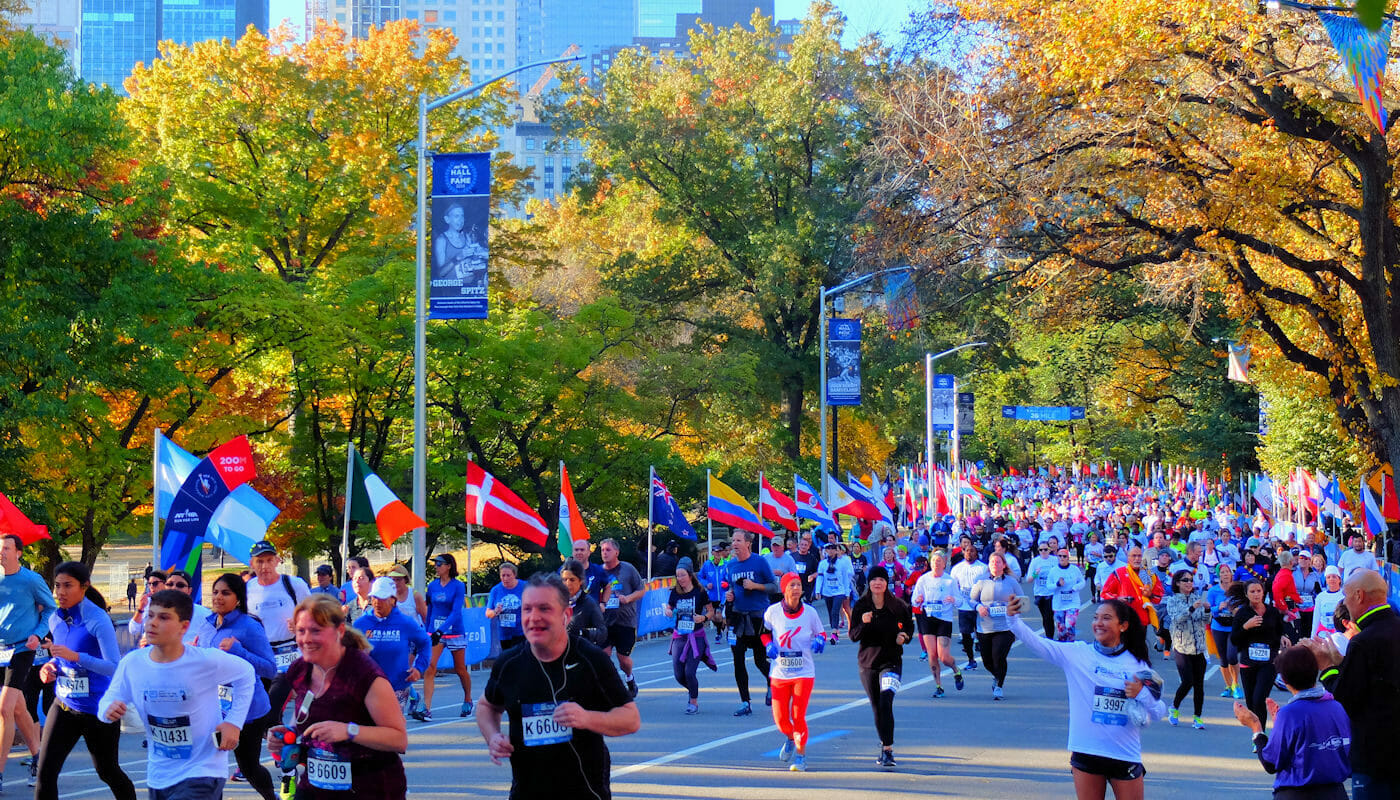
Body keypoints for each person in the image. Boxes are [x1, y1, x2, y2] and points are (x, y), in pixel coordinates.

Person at [477, 573, 640, 799]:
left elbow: (630, 718)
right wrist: (493, 736)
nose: (534, 617)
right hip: (526, 790)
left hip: (584, 790)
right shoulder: (509, 663)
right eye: (527, 609)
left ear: (566, 615)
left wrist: (587, 719)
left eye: (544, 609)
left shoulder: (591, 659)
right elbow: (487, 706)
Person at [100, 589, 255, 800]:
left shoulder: (205, 661)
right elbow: (109, 699)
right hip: (160, 774)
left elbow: (246, 674)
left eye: (164, 617)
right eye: (151, 615)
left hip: (203, 769)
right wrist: (107, 710)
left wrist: (234, 722)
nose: (152, 623)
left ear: (184, 627)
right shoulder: (133, 663)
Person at [1008, 596, 1166, 800]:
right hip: (1087, 750)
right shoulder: (1077, 654)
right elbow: (1039, 644)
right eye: (1095, 617)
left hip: (1124, 754)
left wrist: (1141, 694)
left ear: (1123, 626)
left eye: (1107, 618)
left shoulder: (1137, 665)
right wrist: (1013, 621)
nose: (1098, 623)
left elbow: (1159, 711)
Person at [269, 595, 409, 798]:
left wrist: (348, 731)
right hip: (315, 787)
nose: (306, 639)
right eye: (301, 631)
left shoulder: (364, 674)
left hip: (370, 787)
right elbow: (303, 718)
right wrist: (288, 735)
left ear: (339, 631)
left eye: (316, 631)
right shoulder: (300, 669)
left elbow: (399, 739)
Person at [33, 561, 135, 800]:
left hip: (98, 710)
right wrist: (50, 667)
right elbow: (61, 659)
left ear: (84, 586)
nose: (61, 592)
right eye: (57, 586)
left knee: (108, 772)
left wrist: (77, 657)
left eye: (68, 586)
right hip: (65, 705)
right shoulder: (56, 619)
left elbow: (113, 666)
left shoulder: (98, 620)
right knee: (45, 774)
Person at [1308, 568, 1400, 800]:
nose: (1345, 604)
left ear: (1359, 595)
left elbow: (1345, 698)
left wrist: (1327, 667)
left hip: (1376, 756)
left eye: (1346, 597)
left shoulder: (1364, 641)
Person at [186, 571, 278, 799]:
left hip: (247, 711)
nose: (218, 597)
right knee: (209, 766)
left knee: (249, 767)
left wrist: (240, 651)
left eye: (225, 593)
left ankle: (271, 797)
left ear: (238, 598)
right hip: (212, 709)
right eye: (215, 592)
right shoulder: (207, 625)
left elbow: (270, 668)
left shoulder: (249, 626)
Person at [1233, 645, 1350, 800]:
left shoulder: (1290, 714)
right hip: (1336, 793)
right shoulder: (1337, 707)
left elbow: (1271, 763)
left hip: (1297, 793)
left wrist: (1256, 726)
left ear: (1285, 679)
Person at [0, 533, 55, 788]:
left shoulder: (31, 580)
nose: (1, 552)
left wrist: (38, 633)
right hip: (0, 650)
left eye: (6, 548)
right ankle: (38, 757)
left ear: (18, 552)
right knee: (19, 708)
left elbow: (51, 608)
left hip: (22, 649)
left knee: (4, 709)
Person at [849, 565, 914, 768]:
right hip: (868, 664)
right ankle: (884, 745)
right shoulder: (861, 606)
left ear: (887, 583)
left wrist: (905, 636)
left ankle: (888, 750)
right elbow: (853, 636)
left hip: (891, 662)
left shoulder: (899, 606)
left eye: (882, 580)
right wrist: (864, 623)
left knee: (886, 701)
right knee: (877, 707)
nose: (878, 583)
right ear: (869, 583)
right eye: (874, 580)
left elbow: (909, 628)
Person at [762, 572, 826, 772]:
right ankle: (790, 737)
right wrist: (768, 645)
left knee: (798, 716)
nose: (796, 588)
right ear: (784, 589)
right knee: (781, 720)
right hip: (780, 673)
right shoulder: (772, 612)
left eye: (798, 584)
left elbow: (821, 632)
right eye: (792, 585)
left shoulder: (810, 612)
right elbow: (764, 634)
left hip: (803, 673)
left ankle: (800, 756)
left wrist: (820, 640)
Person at [355, 577, 431, 724]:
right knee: (370, 727)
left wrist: (418, 668)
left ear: (393, 600)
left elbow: (425, 642)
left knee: (390, 725)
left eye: (382, 598)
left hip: (397, 686)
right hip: (368, 686)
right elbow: (347, 651)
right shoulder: (361, 623)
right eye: (374, 597)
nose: (377, 602)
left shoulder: (405, 622)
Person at [724, 531, 778, 717]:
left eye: (738, 540)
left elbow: (774, 586)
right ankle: (745, 702)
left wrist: (756, 586)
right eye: (733, 541)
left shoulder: (759, 561)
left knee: (759, 660)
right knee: (737, 659)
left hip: (758, 618)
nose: (734, 544)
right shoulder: (730, 565)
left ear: (748, 543)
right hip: (739, 618)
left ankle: (773, 682)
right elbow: (731, 588)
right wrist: (729, 595)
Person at [245, 539, 312, 676]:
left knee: (295, 695)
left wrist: (300, 625)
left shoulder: (294, 584)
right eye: (260, 561)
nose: (265, 566)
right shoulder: (246, 590)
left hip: (293, 650)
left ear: (277, 561)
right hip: (263, 653)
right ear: (251, 563)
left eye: (269, 560)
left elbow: (314, 614)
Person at [1232, 579, 1288, 735]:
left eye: (1259, 591)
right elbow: (1234, 639)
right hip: (1248, 664)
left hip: (1268, 663)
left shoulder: (1272, 612)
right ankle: (1256, 733)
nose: (1256, 594)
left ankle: (1260, 735)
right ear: (1246, 594)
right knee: (1251, 702)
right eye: (1252, 592)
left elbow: (1279, 632)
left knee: (1259, 699)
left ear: (1263, 592)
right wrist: (1246, 626)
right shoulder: (1243, 613)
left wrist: (1283, 638)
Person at [422, 554, 472, 720]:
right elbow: (430, 609)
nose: (436, 566)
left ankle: (468, 699)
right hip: (436, 632)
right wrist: (429, 630)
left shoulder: (458, 586)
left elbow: (456, 612)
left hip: (454, 631)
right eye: (435, 564)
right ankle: (426, 708)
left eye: (439, 564)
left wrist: (441, 630)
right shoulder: (432, 586)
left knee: (460, 669)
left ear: (449, 566)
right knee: (430, 667)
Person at [910, 549, 965, 696]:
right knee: (932, 655)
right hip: (927, 618)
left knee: (944, 657)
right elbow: (914, 598)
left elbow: (959, 601)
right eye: (933, 561)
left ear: (944, 563)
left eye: (939, 561)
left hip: (944, 620)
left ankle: (956, 670)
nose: (936, 564)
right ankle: (939, 686)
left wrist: (954, 600)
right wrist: (918, 600)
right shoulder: (923, 579)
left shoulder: (949, 581)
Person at [969, 552, 1023, 700]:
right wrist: (979, 607)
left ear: (1004, 565)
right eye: (992, 562)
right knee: (987, 660)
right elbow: (971, 600)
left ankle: (999, 685)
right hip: (984, 627)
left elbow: (1022, 600)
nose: (994, 564)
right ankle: (997, 675)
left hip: (1006, 627)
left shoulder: (1011, 582)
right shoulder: (981, 581)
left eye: (998, 562)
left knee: (998, 655)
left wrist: (1012, 610)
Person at [1161, 570, 1209, 730]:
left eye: (1191, 580)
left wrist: (1208, 610)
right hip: (1182, 646)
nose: (1189, 583)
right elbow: (1177, 618)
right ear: (1177, 583)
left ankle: (1197, 717)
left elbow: (1205, 620)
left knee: (1199, 685)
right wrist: (1191, 608)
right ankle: (1174, 707)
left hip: (1199, 647)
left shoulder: (1197, 598)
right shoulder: (1172, 600)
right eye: (1185, 580)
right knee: (1188, 681)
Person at [599, 540, 646, 699]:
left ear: (616, 552)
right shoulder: (599, 572)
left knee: (623, 659)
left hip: (625, 621)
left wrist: (628, 598)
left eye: (608, 550)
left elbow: (641, 590)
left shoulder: (627, 569)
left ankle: (630, 678)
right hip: (605, 622)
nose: (605, 553)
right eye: (602, 550)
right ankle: (612, 684)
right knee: (603, 656)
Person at [665, 564, 714, 714]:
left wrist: (704, 617)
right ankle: (693, 690)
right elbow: (669, 607)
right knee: (679, 675)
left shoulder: (699, 592)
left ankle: (693, 702)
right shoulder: (675, 593)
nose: (680, 579)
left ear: (690, 575)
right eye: (677, 576)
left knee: (689, 672)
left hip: (696, 637)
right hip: (679, 636)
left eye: (682, 575)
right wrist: (668, 611)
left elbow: (711, 611)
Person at [950, 540, 989, 672]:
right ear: (963, 552)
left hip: (979, 605)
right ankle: (971, 659)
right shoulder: (957, 569)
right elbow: (953, 586)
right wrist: (956, 600)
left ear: (976, 553)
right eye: (967, 551)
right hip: (964, 606)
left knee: (981, 633)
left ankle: (987, 658)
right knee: (966, 634)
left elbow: (988, 585)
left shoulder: (983, 568)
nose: (969, 553)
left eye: (972, 551)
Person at [1208, 566, 1244, 700]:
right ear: (1219, 575)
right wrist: (1219, 607)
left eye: (1227, 572)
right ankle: (1228, 686)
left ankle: (1236, 684)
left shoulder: (1237, 590)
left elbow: (1243, 606)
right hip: (1218, 627)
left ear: (1231, 574)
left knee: (1232, 656)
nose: (1225, 574)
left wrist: (1236, 610)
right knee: (1223, 658)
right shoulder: (1213, 591)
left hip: (1233, 627)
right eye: (1222, 572)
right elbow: (1209, 609)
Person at [560, 559, 607, 647]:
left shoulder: (589, 603)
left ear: (580, 581)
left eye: (572, 580)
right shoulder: (557, 602)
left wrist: (582, 633)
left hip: (582, 652)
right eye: (564, 579)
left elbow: (602, 633)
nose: (568, 583)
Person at [814, 541, 854, 642]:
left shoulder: (841, 563)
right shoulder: (823, 564)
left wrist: (847, 592)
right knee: (830, 611)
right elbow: (820, 577)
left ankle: (834, 631)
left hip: (839, 591)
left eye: (833, 549)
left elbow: (845, 578)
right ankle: (834, 631)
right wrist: (818, 590)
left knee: (835, 611)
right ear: (826, 551)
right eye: (828, 549)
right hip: (827, 591)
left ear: (836, 551)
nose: (831, 551)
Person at [1048, 547, 1087, 642]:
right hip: (1059, 603)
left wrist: (1076, 587)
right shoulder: (1053, 570)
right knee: (1061, 629)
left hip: (1073, 602)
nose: (1062, 558)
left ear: (1068, 557)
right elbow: (1048, 586)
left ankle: (1071, 643)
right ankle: (1063, 645)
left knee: (1069, 624)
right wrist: (1057, 584)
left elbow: (1082, 582)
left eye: (1064, 556)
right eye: (1060, 556)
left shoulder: (1074, 569)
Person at [486, 562, 527, 654]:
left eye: (508, 575)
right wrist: (496, 611)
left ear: (514, 575)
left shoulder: (524, 586)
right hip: (504, 634)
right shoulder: (496, 590)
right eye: (503, 575)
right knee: (509, 660)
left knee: (521, 659)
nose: (505, 578)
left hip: (522, 631)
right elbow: (488, 613)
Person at [1027, 542, 1060, 634]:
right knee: (1045, 617)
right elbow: (1029, 579)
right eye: (1041, 550)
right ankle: (1049, 636)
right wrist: (1035, 574)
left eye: (1045, 549)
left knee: (1048, 616)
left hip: (1052, 592)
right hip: (1039, 593)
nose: (1043, 551)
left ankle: (1050, 638)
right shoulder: (1035, 561)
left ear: (1049, 550)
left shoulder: (1054, 560)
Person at [567, 539, 611, 607]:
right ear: (572, 552)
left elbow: (608, 586)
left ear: (589, 552)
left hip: (592, 613)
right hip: (571, 614)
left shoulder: (597, 570)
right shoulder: (564, 571)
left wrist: (603, 603)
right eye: (576, 550)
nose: (579, 552)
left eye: (582, 550)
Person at [1310, 566, 1344, 639]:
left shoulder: (1344, 595)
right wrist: (1312, 637)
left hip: (1340, 633)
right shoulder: (1320, 597)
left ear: (1339, 579)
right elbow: (1316, 618)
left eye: (1334, 577)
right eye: (1328, 577)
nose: (1331, 579)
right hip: (1323, 634)